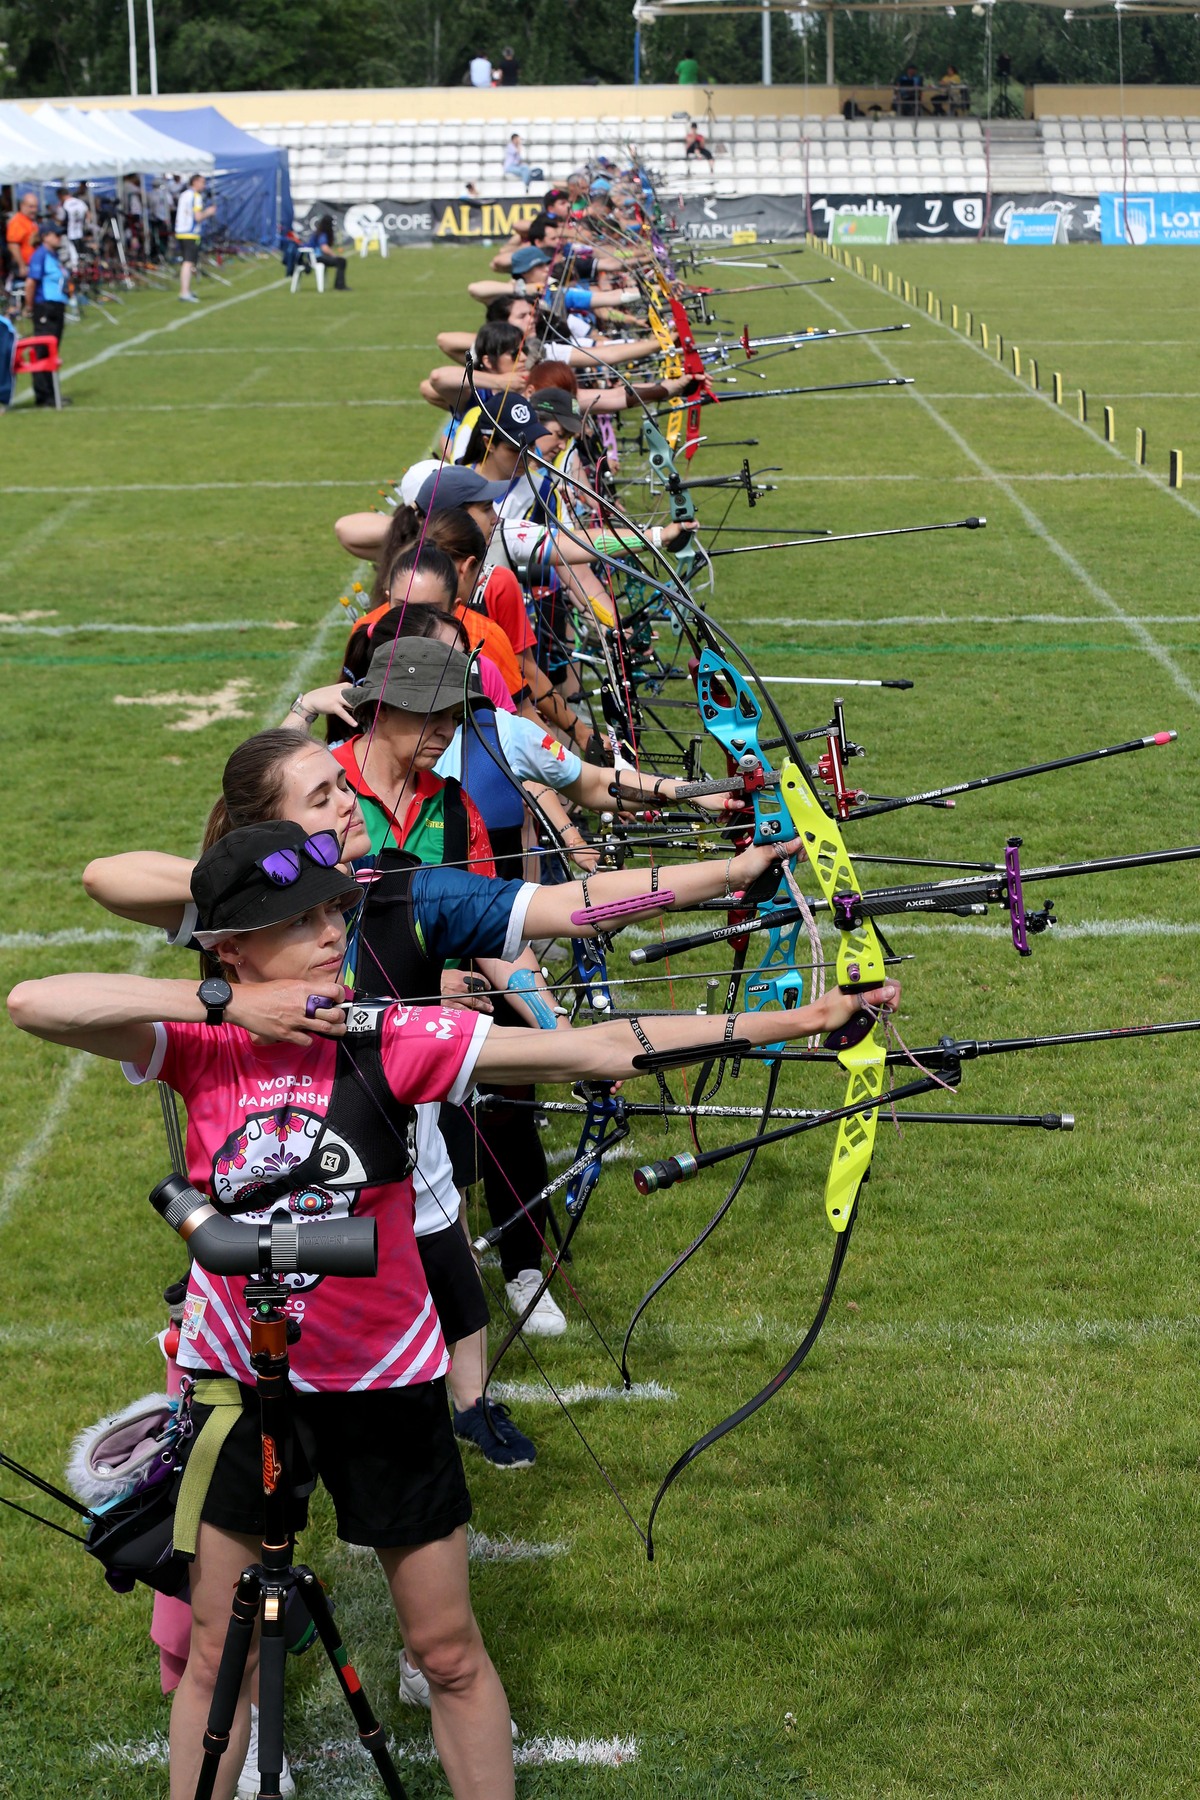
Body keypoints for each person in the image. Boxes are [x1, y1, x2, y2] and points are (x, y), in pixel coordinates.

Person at [24, 223, 71, 408]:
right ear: (45, 237)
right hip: (45, 307)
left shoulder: (53, 255)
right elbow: (30, 282)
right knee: (43, 350)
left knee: (52, 350)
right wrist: (30, 307)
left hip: (56, 307)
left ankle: (53, 394)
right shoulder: (40, 255)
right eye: (55, 235)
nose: (59, 238)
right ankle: (44, 395)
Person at [175, 174, 215, 304]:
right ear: (195, 182)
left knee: (187, 262)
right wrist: (208, 212)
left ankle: (187, 289)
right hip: (190, 232)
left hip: (181, 231)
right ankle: (184, 291)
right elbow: (198, 217)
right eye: (202, 182)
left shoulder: (184, 194)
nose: (204, 186)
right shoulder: (195, 196)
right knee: (188, 262)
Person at [307, 214, 349, 291]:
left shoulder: (318, 232)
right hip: (317, 257)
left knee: (340, 261)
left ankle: (339, 285)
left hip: (313, 257)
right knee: (341, 261)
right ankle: (340, 285)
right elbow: (324, 248)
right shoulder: (323, 234)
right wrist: (334, 255)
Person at [6, 191, 39, 288]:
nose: (34, 210)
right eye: (31, 207)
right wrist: (21, 266)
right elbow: (13, 245)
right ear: (22, 206)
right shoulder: (17, 222)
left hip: (32, 264)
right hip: (23, 265)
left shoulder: (30, 221)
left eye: (36, 207)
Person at [63, 185, 91, 256]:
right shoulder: (80, 202)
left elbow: (62, 218)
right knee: (81, 251)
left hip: (70, 232)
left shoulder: (65, 204)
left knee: (74, 252)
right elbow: (88, 214)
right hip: (80, 231)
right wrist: (87, 224)